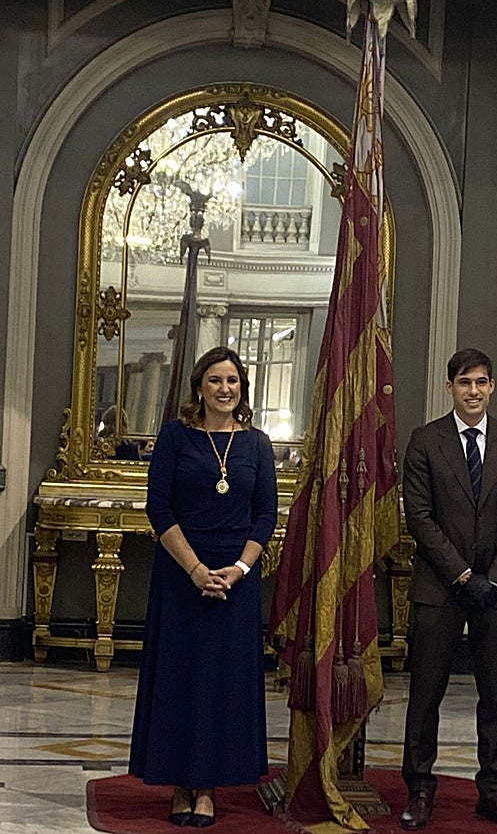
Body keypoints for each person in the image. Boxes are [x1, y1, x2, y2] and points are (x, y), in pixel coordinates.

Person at [128, 346, 278, 827]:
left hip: (236, 581)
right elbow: (159, 509)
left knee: (221, 685)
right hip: (180, 574)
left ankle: (208, 786)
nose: (225, 389)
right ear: (199, 387)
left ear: (242, 389)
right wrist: (194, 569)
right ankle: (178, 781)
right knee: (180, 680)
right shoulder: (176, 436)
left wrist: (237, 569)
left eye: (232, 380)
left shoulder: (256, 444)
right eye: (215, 380)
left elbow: (266, 516)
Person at [400, 348, 497, 831]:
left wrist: (492, 578)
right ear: (450, 387)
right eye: (464, 383)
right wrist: (462, 575)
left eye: (481, 382)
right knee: (425, 694)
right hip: (440, 587)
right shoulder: (425, 441)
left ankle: (493, 794)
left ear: (492, 386)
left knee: (496, 697)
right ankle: (418, 790)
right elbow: (419, 516)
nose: (473, 391)